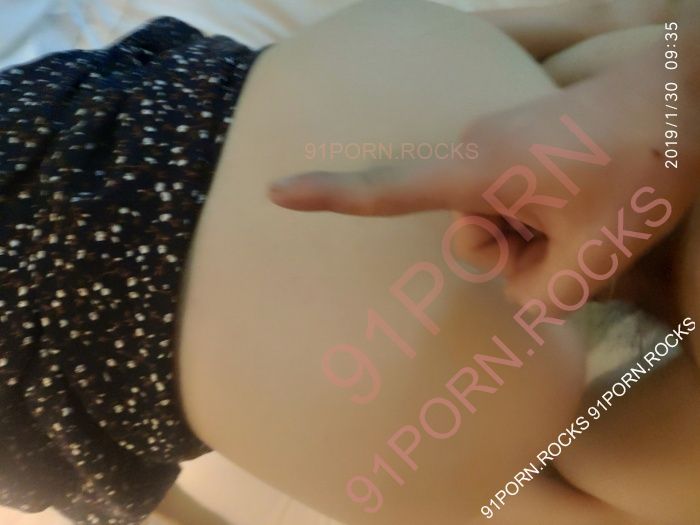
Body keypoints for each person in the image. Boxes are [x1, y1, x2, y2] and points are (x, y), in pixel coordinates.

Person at [0, 1, 696, 525]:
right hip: (390, 82)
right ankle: (644, 54)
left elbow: (102, 480)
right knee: (572, 73)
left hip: (360, 395)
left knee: (573, 489)